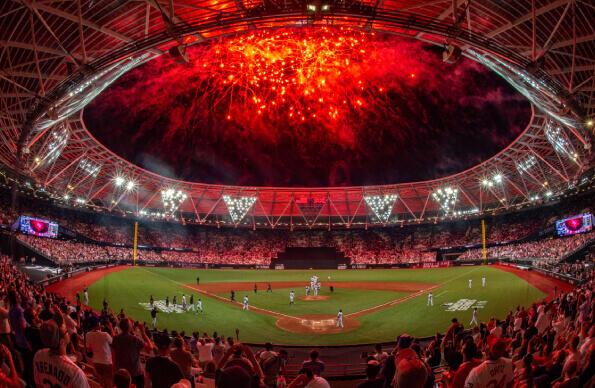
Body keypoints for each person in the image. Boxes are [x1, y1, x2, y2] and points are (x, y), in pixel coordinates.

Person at [34, 320, 91, 387]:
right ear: (61, 341)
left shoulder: (38, 355)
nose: (68, 333)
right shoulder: (76, 373)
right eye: (66, 331)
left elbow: (38, 384)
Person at [112, 318, 153, 388]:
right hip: (135, 373)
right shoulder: (134, 339)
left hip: (121, 373)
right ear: (129, 327)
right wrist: (143, 333)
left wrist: (115, 369)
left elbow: (113, 355)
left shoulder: (115, 338)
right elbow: (150, 347)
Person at [85, 317, 114, 388]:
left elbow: (89, 350)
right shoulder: (105, 334)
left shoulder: (88, 335)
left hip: (96, 361)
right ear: (98, 324)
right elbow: (114, 342)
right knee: (109, 381)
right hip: (106, 362)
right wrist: (111, 328)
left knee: (101, 382)